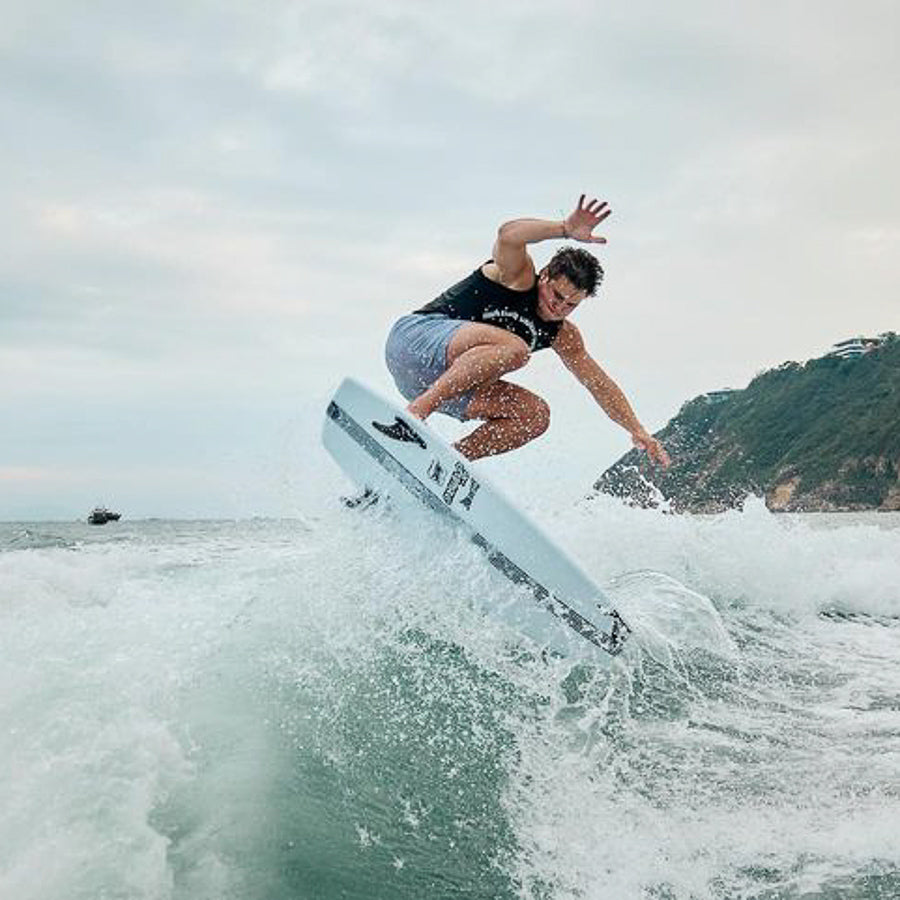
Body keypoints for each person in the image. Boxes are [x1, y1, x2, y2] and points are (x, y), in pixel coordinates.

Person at [384, 195, 670, 466]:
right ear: (544, 276)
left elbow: (597, 382)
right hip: (414, 343)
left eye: (571, 305)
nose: (560, 308)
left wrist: (637, 429)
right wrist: (565, 229)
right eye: (557, 296)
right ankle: (415, 415)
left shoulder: (563, 334)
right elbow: (508, 234)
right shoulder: (517, 276)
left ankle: (446, 463)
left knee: (535, 415)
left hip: (437, 384)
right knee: (515, 350)